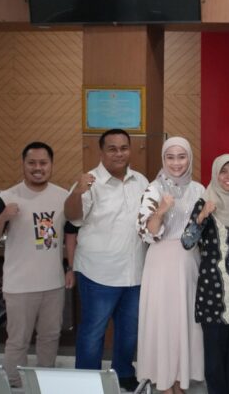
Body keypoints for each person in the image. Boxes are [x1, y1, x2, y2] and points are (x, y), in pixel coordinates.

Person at [0, 142, 77, 388]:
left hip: (53, 284)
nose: (38, 168)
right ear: (23, 164)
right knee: (17, 341)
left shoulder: (62, 196)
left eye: (43, 163)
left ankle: (43, 381)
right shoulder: (7, 197)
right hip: (19, 286)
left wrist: (70, 267)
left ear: (51, 165)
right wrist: (3, 217)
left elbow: (70, 234)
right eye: (32, 163)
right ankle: (13, 384)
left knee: (50, 337)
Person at [64, 128, 149, 392]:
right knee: (93, 331)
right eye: (112, 148)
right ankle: (87, 381)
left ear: (130, 150)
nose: (119, 153)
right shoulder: (89, 182)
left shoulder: (141, 181)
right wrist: (77, 192)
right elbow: (72, 217)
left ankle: (123, 372)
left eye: (123, 148)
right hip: (98, 273)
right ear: (101, 152)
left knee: (129, 330)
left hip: (134, 272)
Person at [182, 154, 229, 394]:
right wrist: (202, 216)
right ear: (216, 174)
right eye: (223, 171)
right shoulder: (205, 202)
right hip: (213, 290)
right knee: (214, 351)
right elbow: (187, 241)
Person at [136, 137, 205, 394]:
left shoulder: (198, 189)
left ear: (189, 158)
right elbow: (148, 232)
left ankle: (180, 382)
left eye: (182, 156)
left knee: (184, 323)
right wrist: (161, 210)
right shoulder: (154, 189)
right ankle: (165, 384)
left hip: (189, 264)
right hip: (162, 265)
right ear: (163, 159)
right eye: (170, 157)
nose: (176, 163)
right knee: (163, 322)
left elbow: (203, 230)